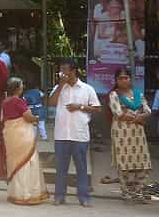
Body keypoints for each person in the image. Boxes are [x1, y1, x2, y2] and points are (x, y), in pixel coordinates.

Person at [48, 58, 101, 207]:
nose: (62, 73)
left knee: (82, 168)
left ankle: (83, 197)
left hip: (79, 134)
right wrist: (60, 86)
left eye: (65, 70)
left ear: (73, 71)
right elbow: (51, 103)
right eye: (61, 70)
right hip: (61, 135)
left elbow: (97, 108)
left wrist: (80, 107)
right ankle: (59, 196)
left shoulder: (87, 89)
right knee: (61, 168)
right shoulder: (59, 87)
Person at [0, 77, 49, 206]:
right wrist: (36, 118)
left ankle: (16, 193)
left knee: (15, 163)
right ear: (17, 89)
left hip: (10, 135)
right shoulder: (19, 101)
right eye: (21, 86)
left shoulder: (5, 101)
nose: (23, 88)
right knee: (27, 162)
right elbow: (28, 117)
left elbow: (3, 119)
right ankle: (27, 194)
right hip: (22, 136)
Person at [108, 67, 152, 204]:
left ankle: (138, 192)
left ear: (130, 79)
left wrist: (135, 116)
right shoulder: (114, 95)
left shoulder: (138, 94)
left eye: (126, 77)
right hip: (121, 133)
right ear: (116, 80)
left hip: (138, 134)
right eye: (120, 78)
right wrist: (138, 118)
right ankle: (126, 193)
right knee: (124, 164)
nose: (123, 80)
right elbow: (118, 113)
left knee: (143, 163)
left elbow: (148, 111)